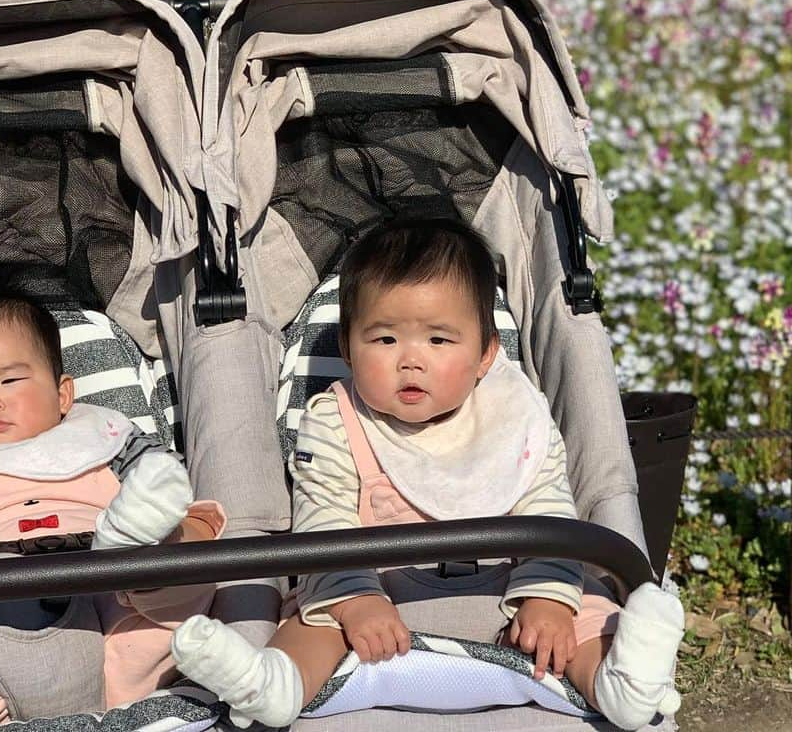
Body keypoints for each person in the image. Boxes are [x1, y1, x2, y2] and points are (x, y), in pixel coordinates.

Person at [171, 217, 683, 730]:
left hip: (509, 591)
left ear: (485, 355)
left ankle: (621, 684)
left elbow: (548, 507)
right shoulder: (336, 419)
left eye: (439, 341)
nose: (411, 361)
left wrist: (546, 596)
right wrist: (357, 600)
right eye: (386, 339)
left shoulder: (516, 415)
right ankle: (274, 684)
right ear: (348, 351)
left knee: (584, 614)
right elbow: (321, 518)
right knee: (311, 620)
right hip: (382, 595)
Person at [0, 290, 224, 731]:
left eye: (10, 381)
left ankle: (197, 683)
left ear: (63, 395)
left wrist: (175, 525)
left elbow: (163, 484)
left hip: (110, 597)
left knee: (185, 587)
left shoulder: (105, 439)